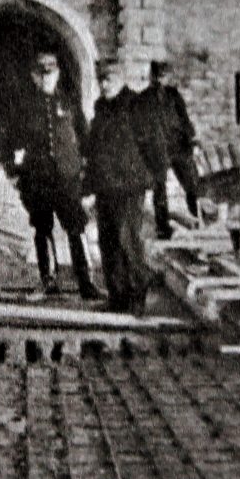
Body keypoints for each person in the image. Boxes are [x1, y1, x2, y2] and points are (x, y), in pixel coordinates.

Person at [12, 51, 99, 299]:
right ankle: (48, 281)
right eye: (41, 72)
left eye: (51, 71)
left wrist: (84, 173)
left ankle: (86, 282)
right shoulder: (25, 107)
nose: (46, 76)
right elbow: (11, 144)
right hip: (37, 181)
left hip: (67, 179)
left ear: (58, 74)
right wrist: (17, 175)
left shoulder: (69, 103)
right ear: (34, 77)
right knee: (42, 229)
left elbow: (85, 139)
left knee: (76, 228)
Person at [84, 57, 168, 315]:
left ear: (121, 79)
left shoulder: (136, 105)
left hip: (130, 186)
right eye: (100, 79)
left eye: (108, 79)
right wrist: (87, 186)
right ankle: (117, 297)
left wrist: (156, 178)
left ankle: (137, 296)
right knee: (107, 242)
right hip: (106, 187)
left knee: (126, 240)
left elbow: (155, 145)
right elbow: (94, 149)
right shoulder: (101, 107)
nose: (103, 84)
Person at [141, 59, 200, 239]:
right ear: (151, 77)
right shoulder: (144, 98)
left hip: (178, 145)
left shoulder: (174, 95)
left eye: (163, 76)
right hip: (158, 148)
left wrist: (192, 140)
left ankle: (199, 220)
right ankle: (162, 228)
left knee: (192, 184)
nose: (160, 80)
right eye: (157, 76)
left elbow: (184, 118)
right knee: (159, 189)